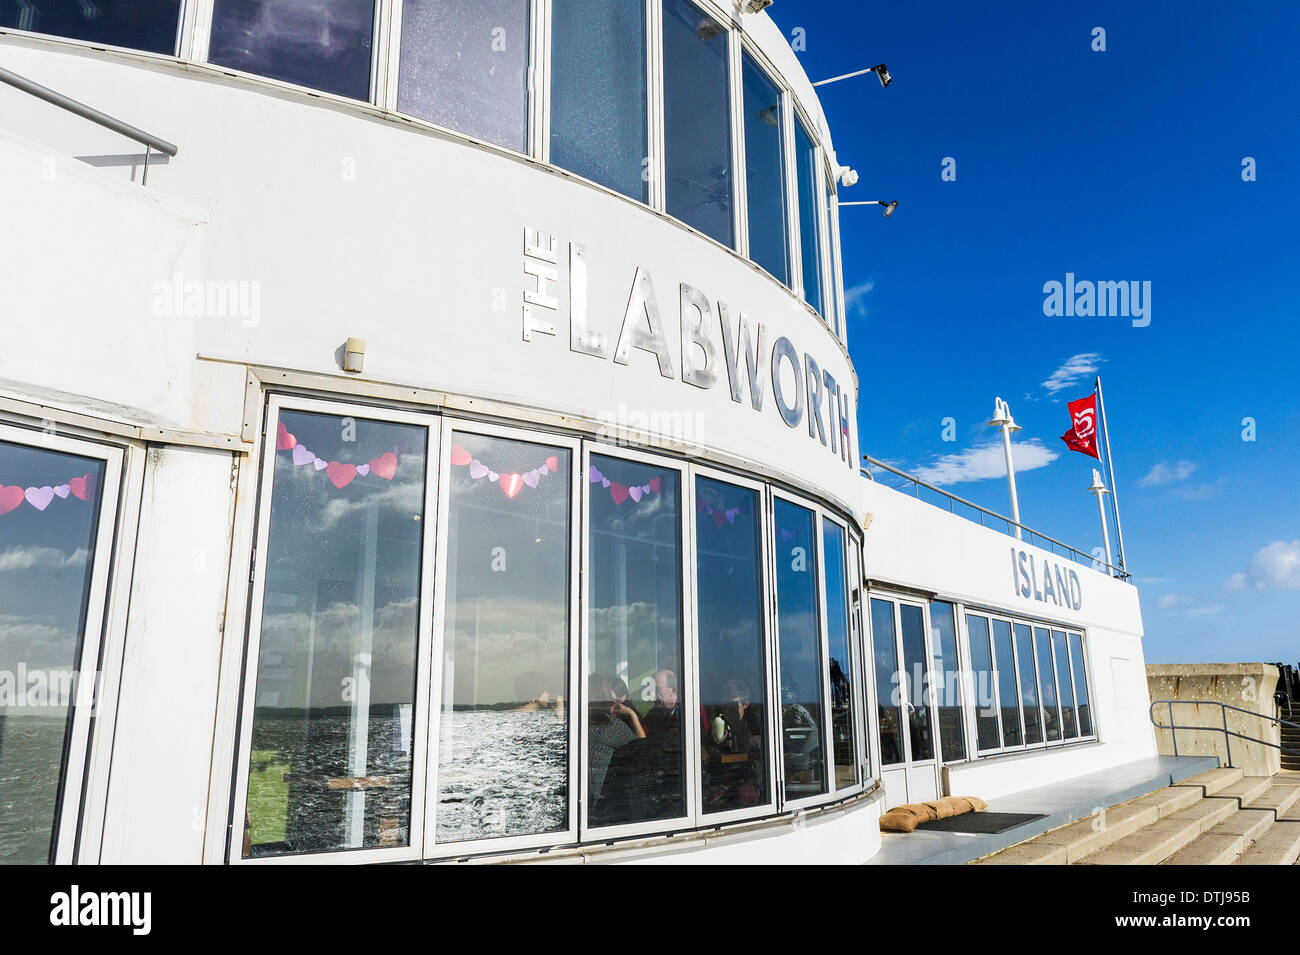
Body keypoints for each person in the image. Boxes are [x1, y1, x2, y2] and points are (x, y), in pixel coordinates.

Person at [586, 675, 644, 806]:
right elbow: (644, 749)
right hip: (601, 802)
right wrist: (632, 715)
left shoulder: (577, 722)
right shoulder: (610, 727)